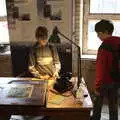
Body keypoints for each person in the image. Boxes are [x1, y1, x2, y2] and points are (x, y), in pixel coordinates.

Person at [91, 19, 120, 120]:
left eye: (99, 33)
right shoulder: (118, 42)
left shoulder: (104, 47)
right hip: (116, 80)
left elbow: (101, 69)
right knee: (114, 106)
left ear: (106, 32)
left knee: (97, 105)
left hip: (104, 82)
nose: (98, 36)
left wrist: (97, 87)